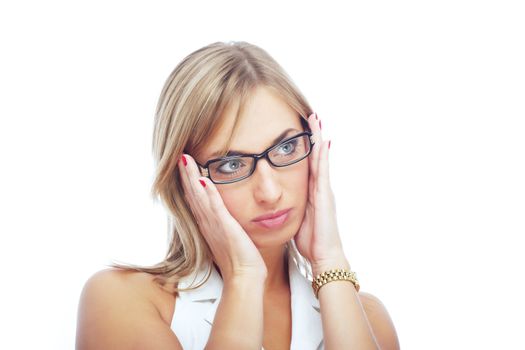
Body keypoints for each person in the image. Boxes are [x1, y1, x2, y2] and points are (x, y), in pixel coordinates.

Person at [76, 41, 400, 350]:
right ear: (186, 178)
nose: (270, 192)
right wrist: (243, 278)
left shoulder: (365, 319)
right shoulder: (121, 300)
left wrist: (329, 260)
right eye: (231, 164)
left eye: (286, 148)